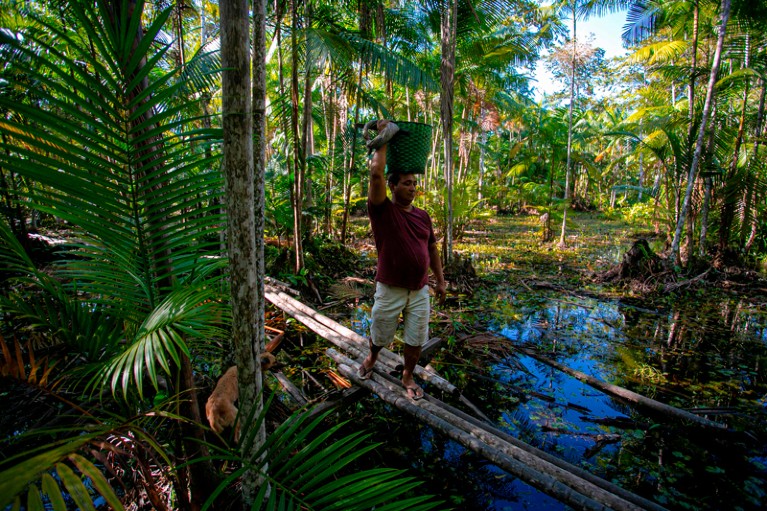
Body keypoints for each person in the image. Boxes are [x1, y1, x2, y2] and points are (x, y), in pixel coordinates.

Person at [357, 120, 446, 400]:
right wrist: (383, 139)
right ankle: (372, 357)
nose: (412, 188)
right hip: (390, 286)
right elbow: (375, 175)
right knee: (380, 332)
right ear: (392, 185)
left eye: (414, 183)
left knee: (416, 338)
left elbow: (432, 249)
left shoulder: (422, 216)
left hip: (419, 289)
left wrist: (440, 281)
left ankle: (407, 375)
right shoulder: (382, 211)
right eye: (406, 183)